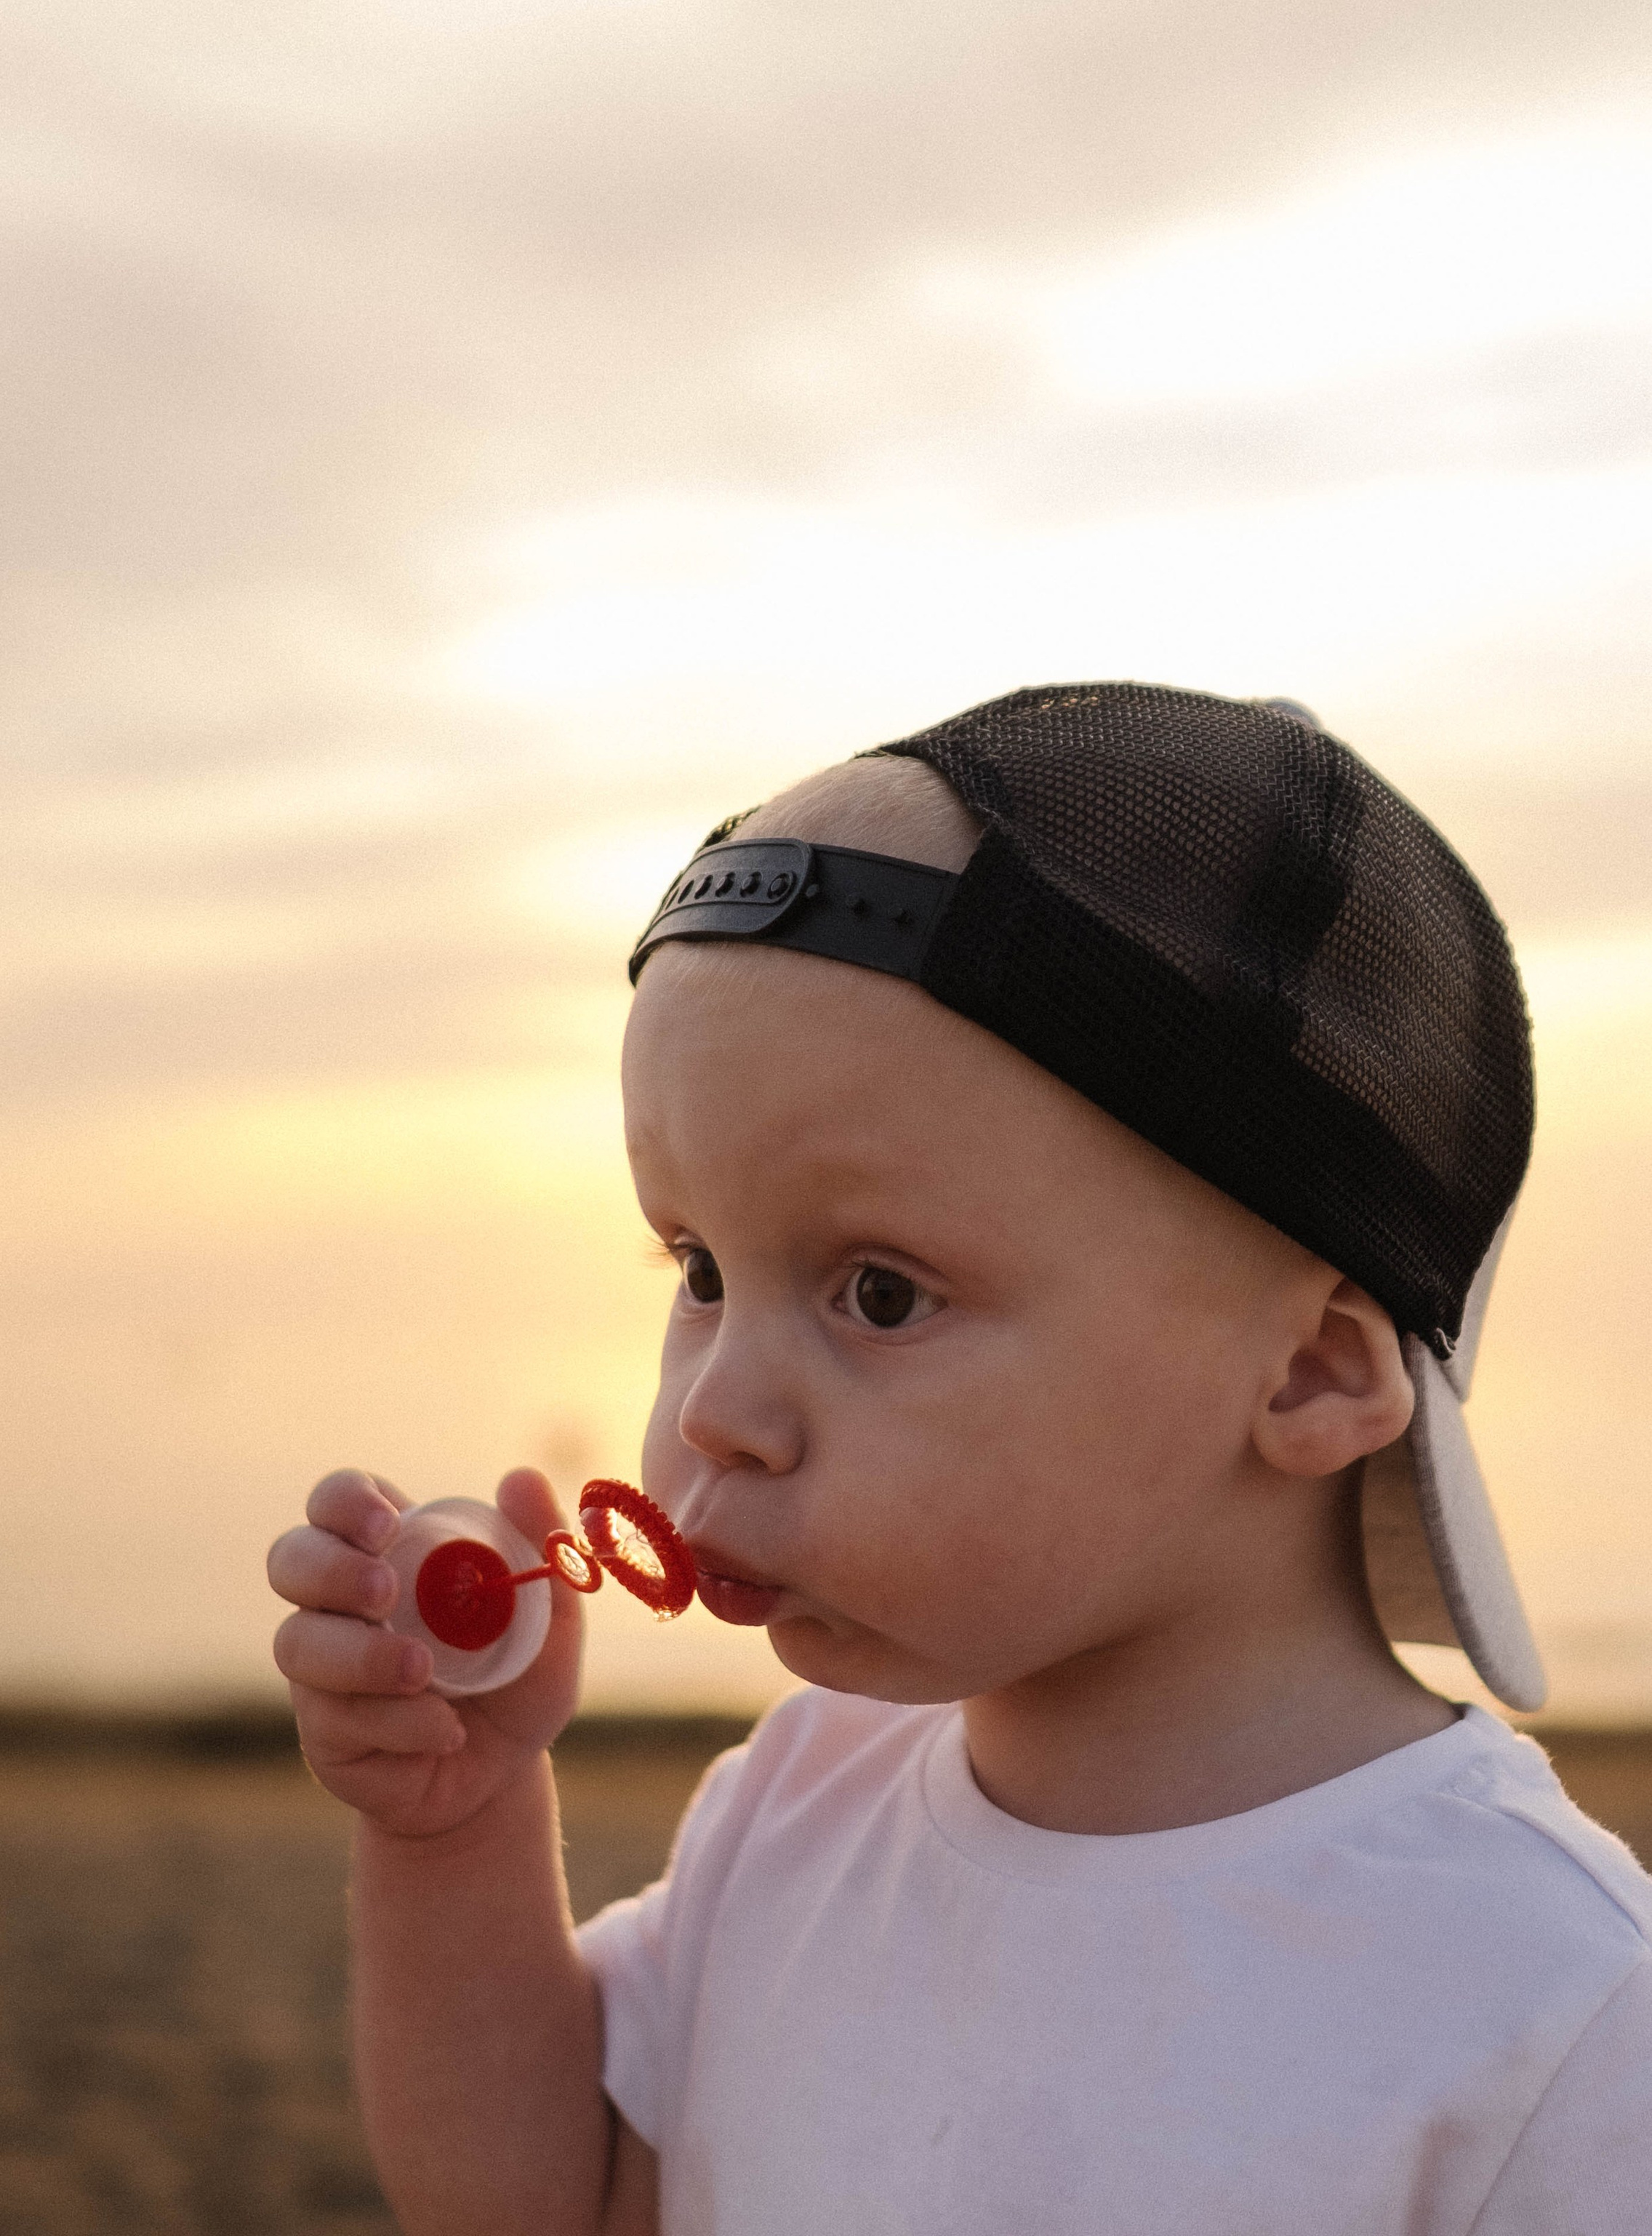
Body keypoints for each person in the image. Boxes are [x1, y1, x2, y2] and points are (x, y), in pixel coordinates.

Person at [267, 683, 1651, 2235]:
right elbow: (556, 2199)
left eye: (879, 1293)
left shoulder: (1551, 2004)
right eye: (700, 1267)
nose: (715, 1407)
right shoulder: (798, 1806)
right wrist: (455, 1831)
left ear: (1313, 1369)